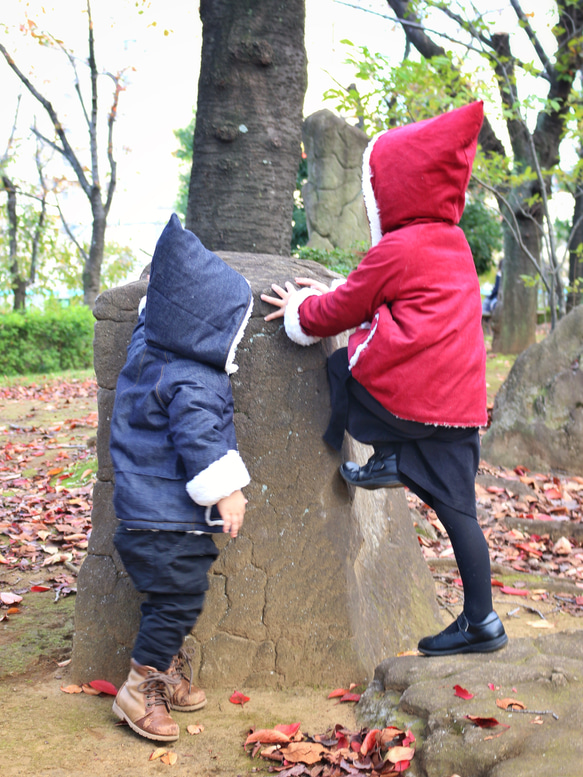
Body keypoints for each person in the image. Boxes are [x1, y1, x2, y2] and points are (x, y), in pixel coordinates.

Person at [261, 101, 508, 657]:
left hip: (411, 402)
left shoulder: (398, 248)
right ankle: (482, 621)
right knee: (458, 511)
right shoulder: (455, 244)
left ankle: (391, 457)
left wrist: (301, 307)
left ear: (391, 191)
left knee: (344, 371)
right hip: (461, 408)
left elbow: (341, 309)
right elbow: (398, 298)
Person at [109, 214, 253, 741]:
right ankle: (139, 685)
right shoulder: (192, 376)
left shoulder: (151, 355)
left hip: (151, 515)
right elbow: (198, 437)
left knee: (170, 601)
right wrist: (228, 490)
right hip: (166, 520)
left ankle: (163, 672)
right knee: (179, 602)